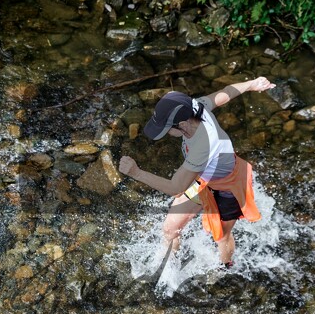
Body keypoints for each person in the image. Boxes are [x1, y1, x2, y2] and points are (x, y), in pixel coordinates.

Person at [118, 77, 276, 267]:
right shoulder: (195, 107)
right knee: (170, 229)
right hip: (203, 179)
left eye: (167, 129)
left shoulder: (204, 143)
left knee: (222, 236)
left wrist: (136, 173)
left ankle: (226, 267)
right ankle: (168, 266)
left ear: (183, 125)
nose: (166, 133)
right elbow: (227, 92)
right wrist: (251, 84)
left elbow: (176, 187)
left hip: (228, 187)